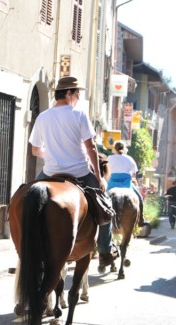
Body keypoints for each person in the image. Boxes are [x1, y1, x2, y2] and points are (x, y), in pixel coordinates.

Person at [28, 76, 114, 267]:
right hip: (80, 173)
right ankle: (106, 250)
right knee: (105, 205)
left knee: (28, 199)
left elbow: (35, 150)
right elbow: (91, 149)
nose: (78, 98)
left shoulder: (43, 117)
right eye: (77, 94)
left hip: (50, 173)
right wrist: (99, 179)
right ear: (68, 93)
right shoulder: (79, 114)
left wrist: (52, 155)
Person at [106, 141, 148, 226]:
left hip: (111, 184)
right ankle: (141, 219)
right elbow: (136, 173)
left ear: (114, 149)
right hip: (126, 184)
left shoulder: (109, 158)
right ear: (124, 149)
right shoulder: (129, 158)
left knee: (100, 198)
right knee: (139, 198)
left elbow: (106, 171)